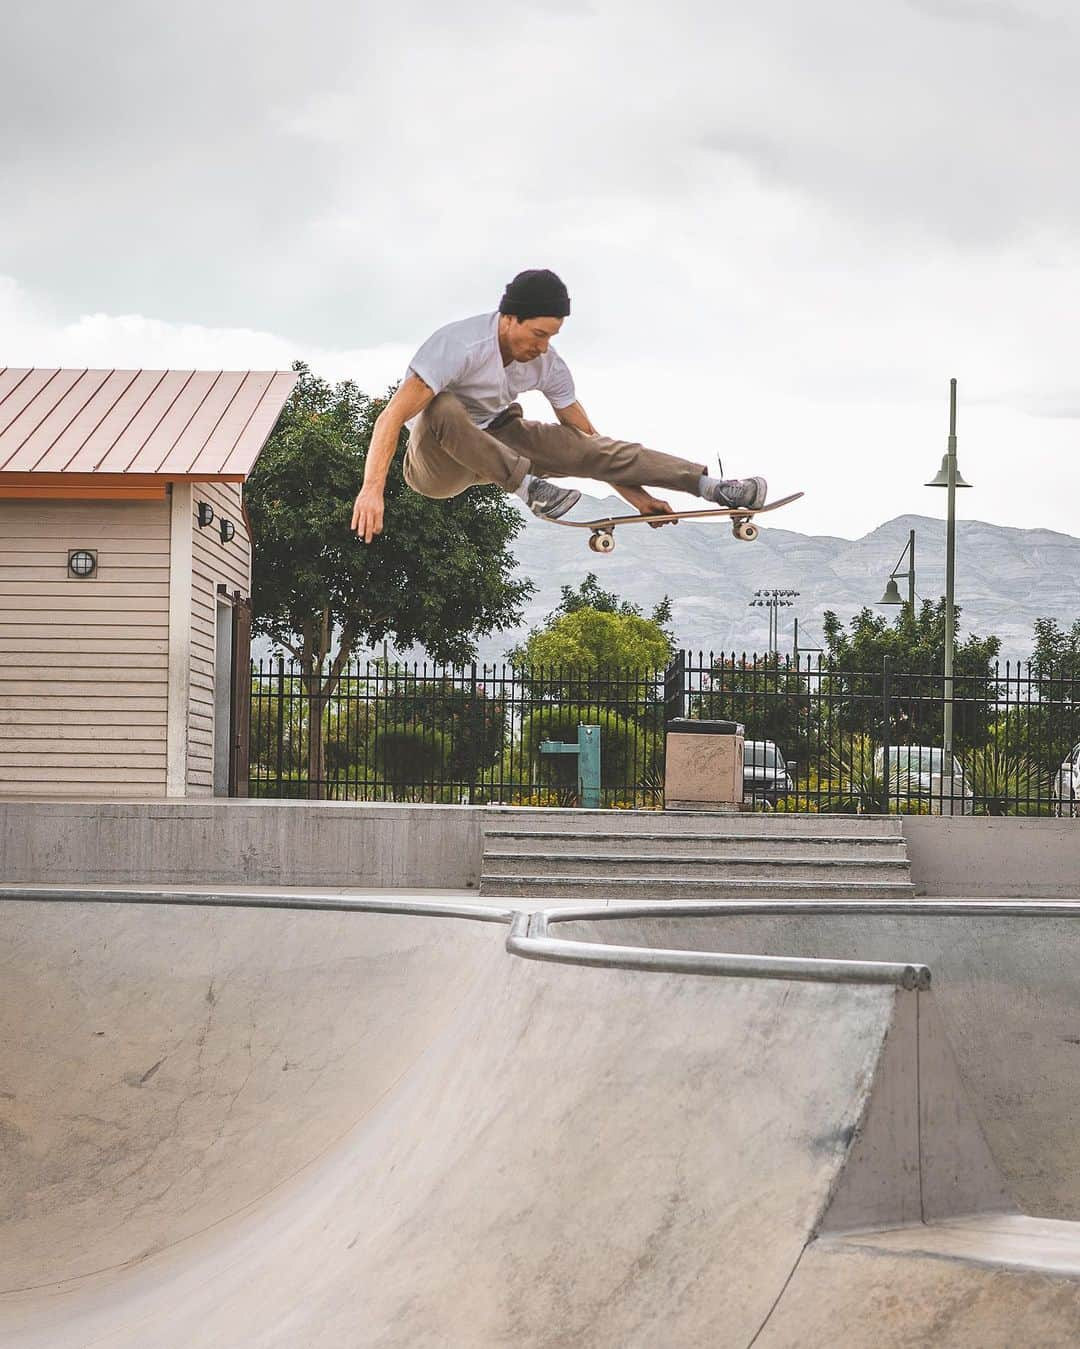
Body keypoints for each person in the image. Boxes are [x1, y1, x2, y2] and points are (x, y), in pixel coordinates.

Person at [351, 268, 766, 543]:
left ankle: (710, 487)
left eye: (552, 336)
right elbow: (391, 417)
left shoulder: (549, 364)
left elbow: (591, 444)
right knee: (441, 407)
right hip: (436, 463)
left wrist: (634, 497)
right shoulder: (457, 346)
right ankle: (528, 489)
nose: (542, 346)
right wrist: (372, 490)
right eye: (537, 334)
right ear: (509, 318)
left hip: (499, 441)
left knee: (579, 442)